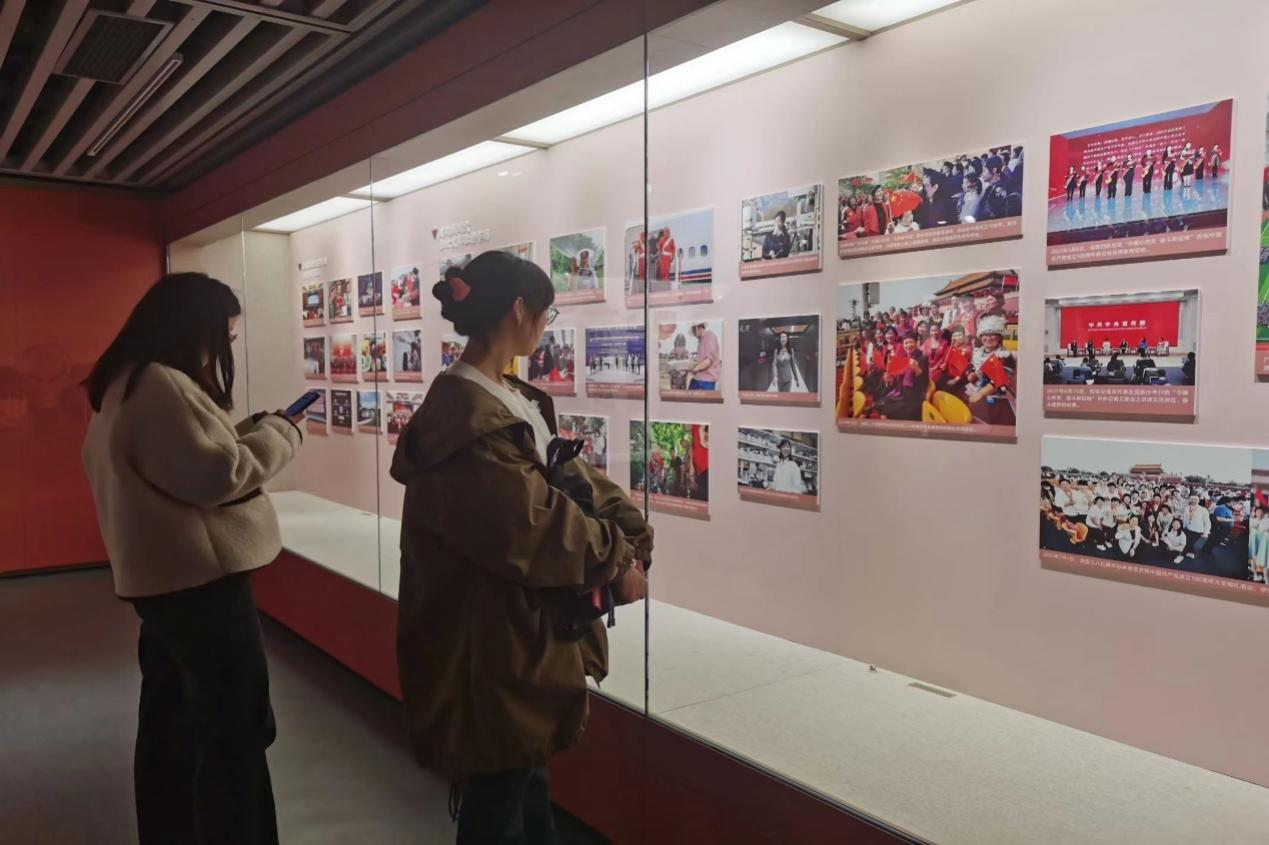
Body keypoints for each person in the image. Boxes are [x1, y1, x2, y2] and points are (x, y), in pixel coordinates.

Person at [392, 251, 650, 844]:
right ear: (518, 310)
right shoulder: (469, 415)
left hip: (516, 631)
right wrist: (617, 558)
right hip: (491, 641)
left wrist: (627, 534)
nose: (544, 326)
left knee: (523, 783)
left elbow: (568, 481)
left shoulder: (501, 395)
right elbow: (533, 525)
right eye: (545, 313)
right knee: (500, 799)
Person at [81, 273, 305, 845]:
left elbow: (185, 461)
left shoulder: (124, 383)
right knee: (236, 730)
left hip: (162, 587)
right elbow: (217, 475)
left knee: (171, 724)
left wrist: (245, 432)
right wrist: (281, 434)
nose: (223, 349)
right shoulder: (162, 383)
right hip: (201, 586)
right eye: (223, 336)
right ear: (192, 328)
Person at [686, 322, 721, 392]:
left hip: (706, 382)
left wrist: (695, 369)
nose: (694, 333)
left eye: (694, 329)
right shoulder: (701, 342)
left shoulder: (709, 335)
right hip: (697, 379)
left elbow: (708, 360)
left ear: (699, 326)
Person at [1183, 494, 1211, 559]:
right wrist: (1183, 526)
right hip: (1187, 528)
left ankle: (1186, 553)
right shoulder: (1187, 508)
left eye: (1195, 499)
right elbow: (1185, 518)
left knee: (1190, 542)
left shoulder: (1203, 510)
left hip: (1198, 530)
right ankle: (1191, 552)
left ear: (1198, 501)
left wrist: (1206, 533)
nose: (1193, 501)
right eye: (1192, 499)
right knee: (1188, 541)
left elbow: (1207, 522)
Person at [1249, 506, 1269, 583]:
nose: (1260, 513)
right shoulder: (1253, 521)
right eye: (1258, 512)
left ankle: (1263, 575)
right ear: (1255, 513)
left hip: (1264, 542)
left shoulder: (1265, 520)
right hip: (1255, 541)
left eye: (1261, 512)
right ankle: (1255, 575)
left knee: (1263, 559)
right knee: (1254, 557)